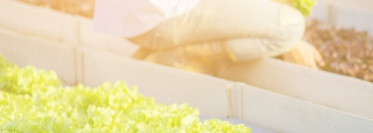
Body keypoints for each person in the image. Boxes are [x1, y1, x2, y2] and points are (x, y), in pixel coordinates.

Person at [92, 0, 322, 74]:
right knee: (290, 25)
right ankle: (182, 55)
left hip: (134, 19)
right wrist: (286, 36)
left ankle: (161, 52)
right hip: (163, 18)